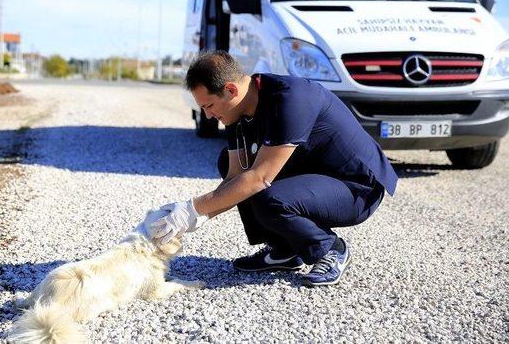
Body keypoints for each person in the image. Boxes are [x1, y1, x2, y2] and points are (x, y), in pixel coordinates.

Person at [150, 51, 398, 286]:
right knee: (229, 162)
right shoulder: (236, 112)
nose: (207, 115)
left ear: (230, 90)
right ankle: (285, 250)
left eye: (208, 106)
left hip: (356, 187)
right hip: (317, 175)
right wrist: (192, 216)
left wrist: (193, 208)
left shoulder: (290, 98)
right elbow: (235, 175)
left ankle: (330, 248)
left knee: (269, 197)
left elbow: (258, 179)